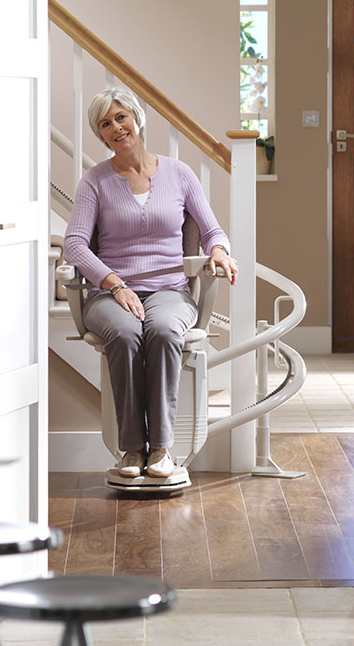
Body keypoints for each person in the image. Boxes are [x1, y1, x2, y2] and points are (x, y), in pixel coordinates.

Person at [63, 88, 238, 479]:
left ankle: (160, 449)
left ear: (137, 118)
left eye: (120, 117)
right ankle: (131, 450)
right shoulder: (94, 181)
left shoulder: (179, 174)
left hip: (170, 291)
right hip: (110, 293)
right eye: (105, 124)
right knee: (125, 334)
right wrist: (114, 284)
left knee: (160, 330)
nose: (115, 128)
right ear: (101, 136)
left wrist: (220, 252)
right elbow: (74, 244)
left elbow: (212, 230)